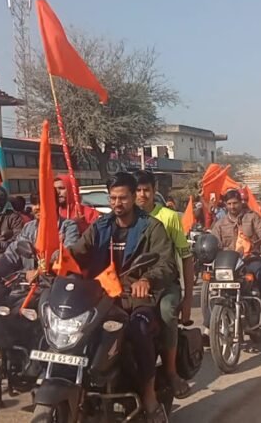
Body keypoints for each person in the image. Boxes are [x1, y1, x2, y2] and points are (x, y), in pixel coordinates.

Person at [69, 172, 178, 423]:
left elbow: (166, 263)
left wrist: (146, 280)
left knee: (139, 329)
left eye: (123, 198)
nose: (117, 203)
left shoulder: (151, 227)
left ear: (133, 197)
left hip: (136, 298)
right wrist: (58, 259)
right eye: (113, 198)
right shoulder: (100, 226)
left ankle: (149, 397)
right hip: (101, 297)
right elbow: (78, 252)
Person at [134, 170, 193, 399]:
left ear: (154, 189)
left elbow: (186, 258)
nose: (142, 195)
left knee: (168, 312)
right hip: (133, 286)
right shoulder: (127, 217)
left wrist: (187, 299)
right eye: (137, 190)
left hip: (165, 285)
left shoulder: (169, 217)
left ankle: (171, 372)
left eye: (146, 190)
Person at [209, 189, 261, 330]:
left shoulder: (252, 217)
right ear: (225, 205)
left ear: (241, 202)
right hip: (228, 263)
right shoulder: (220, 223)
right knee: (211, 285)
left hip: (249, 259)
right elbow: (213, 241)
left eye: (235, 203)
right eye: (229, 204)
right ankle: (209, 327)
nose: (232, 206)